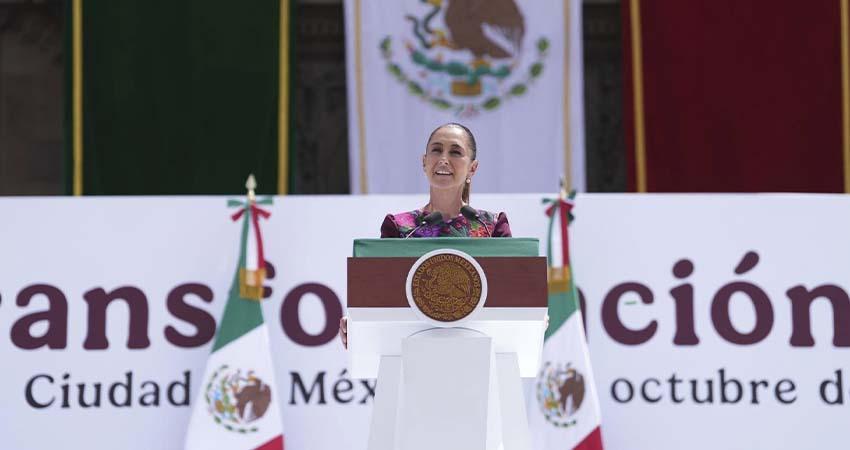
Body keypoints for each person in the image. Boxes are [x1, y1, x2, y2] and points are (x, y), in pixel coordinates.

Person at [339, 123, 511, 348]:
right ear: (424, 161)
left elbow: (512, 293)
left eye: (456, 152)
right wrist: (359, 323)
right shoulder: (400, 227)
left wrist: (534, 315)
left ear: (473, 168)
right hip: (410, 352)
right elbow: (380, 294)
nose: (443, 159)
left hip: (480, 350)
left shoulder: (492, 226)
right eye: (436, 150)